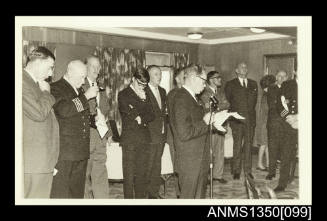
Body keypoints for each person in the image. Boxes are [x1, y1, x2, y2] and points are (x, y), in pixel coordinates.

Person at [50, 60, 99, 198]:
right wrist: (86, 96)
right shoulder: (55, 87)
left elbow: (79, 116)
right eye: (81, 77)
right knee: (61, 193)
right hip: (65, 152)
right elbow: (64, 110)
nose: (83, 81)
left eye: (84, 77)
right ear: (69, 72)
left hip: (80, 151)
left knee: (76, 193)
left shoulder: (79, 89)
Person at [23, 46, 59, 198]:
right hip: (34, 162)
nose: (51, 73)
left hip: (41, 161)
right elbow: (38, 113)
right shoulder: (22, 81)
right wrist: (46, 93)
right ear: (38, 62)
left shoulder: (34, 82)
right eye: (50, 67)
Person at [170, 65, 212, 198]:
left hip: (198, 158)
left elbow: (195, 123)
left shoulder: (192, 97)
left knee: (198, 197)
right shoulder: (181, 98)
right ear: (193, 78)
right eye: (203, 81)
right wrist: (205, 122)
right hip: (190, 161)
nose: (205, 85)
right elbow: (184, 133)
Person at [118, 67, 155, 199]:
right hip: (130, 140)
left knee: (142, 175)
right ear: (133, 79)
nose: (143, 87)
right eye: (140, 84)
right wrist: (140, 112)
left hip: (144, 140)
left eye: (145, 85)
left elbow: (152, 115)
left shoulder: (146, 95)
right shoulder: (123, 94)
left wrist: (141, 116)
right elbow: (129, 114)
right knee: (128, 176)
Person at [83, 56, 112, 199]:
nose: (96, 69)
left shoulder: (101, 88)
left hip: (101, 136)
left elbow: (105, 113)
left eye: (98, 66)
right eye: (92, 66)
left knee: (100, 171)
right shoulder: (79, 86)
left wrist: (109, 133)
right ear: (85, 67)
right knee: (85, 174)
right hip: (86, 136)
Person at [225, 62, 258, 180]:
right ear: (236, 70)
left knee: (249, 146)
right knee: (237, 145)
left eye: (245, 67)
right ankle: (236, 170)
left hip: (250, 120)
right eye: (241, 67)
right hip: (237, 120)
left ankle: (248, 171)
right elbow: (229, 101)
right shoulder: (230, 84)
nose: (244, 69)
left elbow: (253, 103)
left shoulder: (253, 84)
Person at [199, 71, 230, 184]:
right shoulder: (204, 93)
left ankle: (218, 175)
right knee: (209, 151)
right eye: (218, 78)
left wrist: (217, 106)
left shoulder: (221, 92)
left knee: (219, 151)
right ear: (211, 79)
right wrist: (219, 106)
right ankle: (206, 176)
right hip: (210, 126)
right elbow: (208, 107)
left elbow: (227, 104)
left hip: (221, 125)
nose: (220, 79)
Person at [144, 65, 167, 199]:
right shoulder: (143, 91)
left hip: (161, 135)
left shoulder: (163, 91)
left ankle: (154, 193)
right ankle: (145, 193)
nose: (159, 76)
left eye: (160, 74)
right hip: (149, 135)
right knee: (148, 165)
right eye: (156, 74)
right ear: (148, 77)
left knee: (157, 165)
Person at [274, 71, 298, 192]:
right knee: (286, 154)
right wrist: (289, 118)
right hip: (289, 123)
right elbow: (279, 105)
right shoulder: (287, 85)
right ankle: (282, 183)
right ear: (295, 71)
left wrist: (299, 117)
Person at [166, 67, 185, 198]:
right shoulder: (173, 94)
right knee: (178, 164)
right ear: (177, 79)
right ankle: (180, 192)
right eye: (184, 77)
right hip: (175, 134)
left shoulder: (190, 93)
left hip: (186, 134)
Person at [266, 70, 288, 180]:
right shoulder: (271, 88)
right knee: (273, 148)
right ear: (276, 77)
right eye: (279, 76)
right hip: (274, 123)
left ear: (287, 77)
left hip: (287, 123)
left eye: (284, 76)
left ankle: (285, 173)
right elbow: (273, 105)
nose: (282, 78)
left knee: (286, 149)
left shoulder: (291, 88)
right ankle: (271, 172)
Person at [256, 75, 276, 172]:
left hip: (265, 122)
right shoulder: (266, 96)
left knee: (267, 144)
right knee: (264, 144)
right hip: (265, 123)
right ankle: (259, 163)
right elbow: (267, 110)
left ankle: (268, 163)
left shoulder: (266, 94)